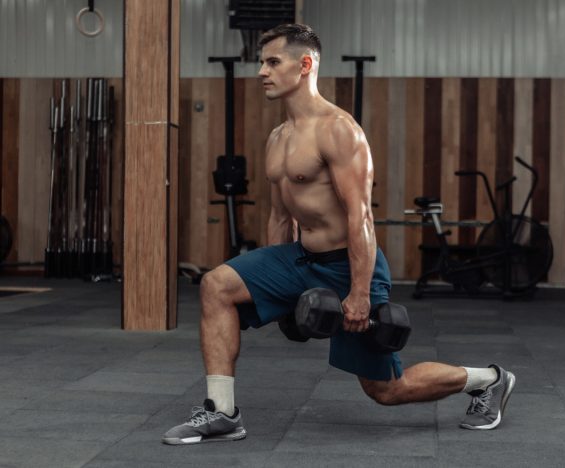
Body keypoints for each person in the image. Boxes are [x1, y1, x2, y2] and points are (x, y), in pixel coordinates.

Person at [162, 24, 515, 445]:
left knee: (386, 389)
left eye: (273, 62)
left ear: (305, 64)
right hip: (301, 257)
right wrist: (276, 290)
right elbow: (279, 216)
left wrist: (361, 292)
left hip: (348, 265)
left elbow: (360, 217)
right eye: (262, 62)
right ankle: (221, 413)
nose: (261, 72)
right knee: (216, 284)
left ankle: (488, 380)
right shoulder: (278, 138)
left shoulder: (339, 130)